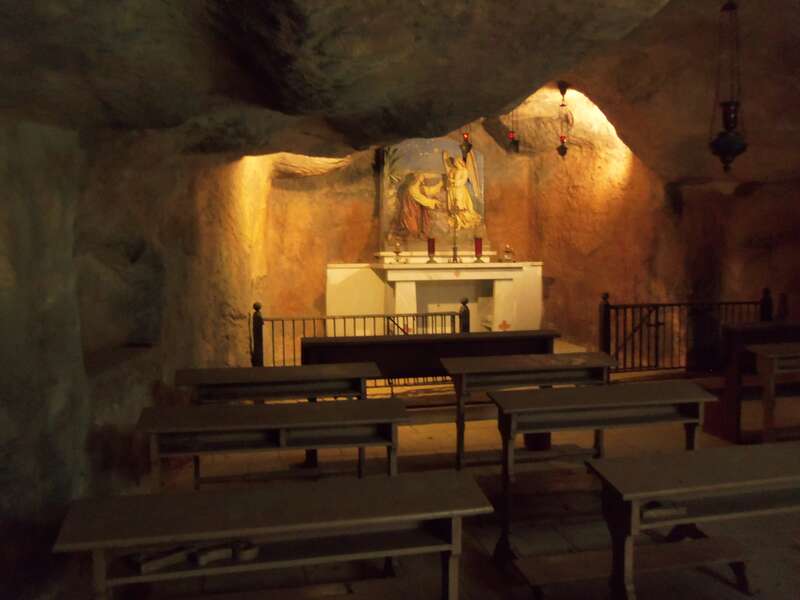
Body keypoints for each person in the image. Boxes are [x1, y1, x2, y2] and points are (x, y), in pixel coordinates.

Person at [442, 150, 481, 230]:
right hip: (452, 191)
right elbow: (447, 171)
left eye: (456, 162)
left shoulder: (464, 171)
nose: (455, 163)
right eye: (454, 162)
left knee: (459, 205)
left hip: (460, 191)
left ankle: (461, 222)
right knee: (453, 206)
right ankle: (456, 222)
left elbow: (462, 182)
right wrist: (444, 158)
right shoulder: (454, 170)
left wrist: (452, 181)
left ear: (460, 162)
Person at [398, 171, 443, 238]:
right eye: (421, 177)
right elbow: (422, 199)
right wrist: (434, 202)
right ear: (417, 179)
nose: (423, 178)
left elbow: (428, 191)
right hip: (410, 212)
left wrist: (440, 184)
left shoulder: (417, 187)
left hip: (415, 210)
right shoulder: (412, 188)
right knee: (412, 229)